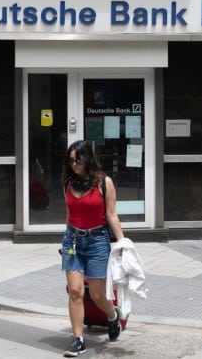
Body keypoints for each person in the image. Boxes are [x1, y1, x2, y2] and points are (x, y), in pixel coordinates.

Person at [60, 140, 125, 357]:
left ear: (88, 158)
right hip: (72, 242)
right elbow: (70, 214)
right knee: (75, 291)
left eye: (77, 160)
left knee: (97, 294)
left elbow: (111, 215)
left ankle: (112, 316)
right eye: (70, 161)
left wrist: (122, 242)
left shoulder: (103, 183)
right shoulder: (68, 181)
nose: (74, 165)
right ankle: (78, 339)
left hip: (97, 241)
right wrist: (66, 243)